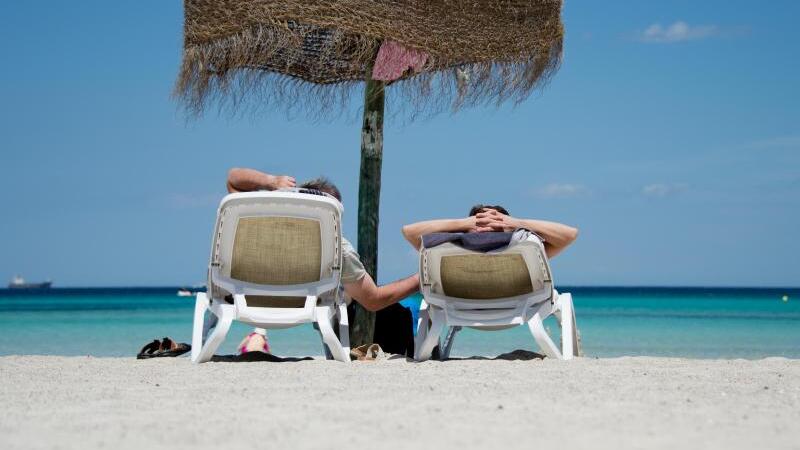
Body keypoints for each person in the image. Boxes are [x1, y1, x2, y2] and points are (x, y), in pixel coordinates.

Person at [223, 168, 420, 355]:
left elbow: (233, 179)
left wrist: (271, 182)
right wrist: (422, 278)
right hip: (311, 309)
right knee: (392, 313)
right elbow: (373, 299)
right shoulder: (337, 247)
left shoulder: (261, 232)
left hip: (250, 304)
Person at [401, 204, 578, 258]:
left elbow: (570, 234)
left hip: (459, 306)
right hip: (518, 305)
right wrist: (464, 223)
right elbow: (569, 235)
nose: (486, 224)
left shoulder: (523, 246)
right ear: (468, 229)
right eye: (480, 220)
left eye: (495, 219)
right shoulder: (528, 250)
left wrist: (514, 223)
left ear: (507, 228)